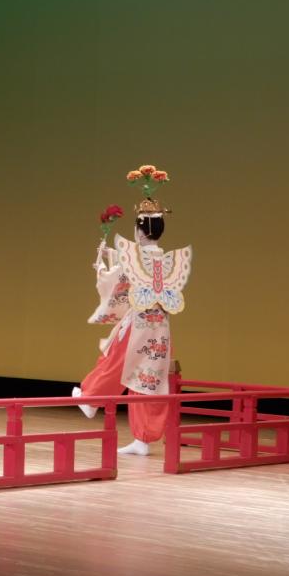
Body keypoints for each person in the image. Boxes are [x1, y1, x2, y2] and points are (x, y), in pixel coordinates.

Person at [74, 165, 193, 456]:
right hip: (160, 326)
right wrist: (113, 259)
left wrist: (102, 268)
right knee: (148, 376)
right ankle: (143, 438)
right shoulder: (166, 260)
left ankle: (91, 399)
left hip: (139, 322)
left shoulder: (134, 258)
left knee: (116, 360)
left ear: (140, 231)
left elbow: (118, 281)